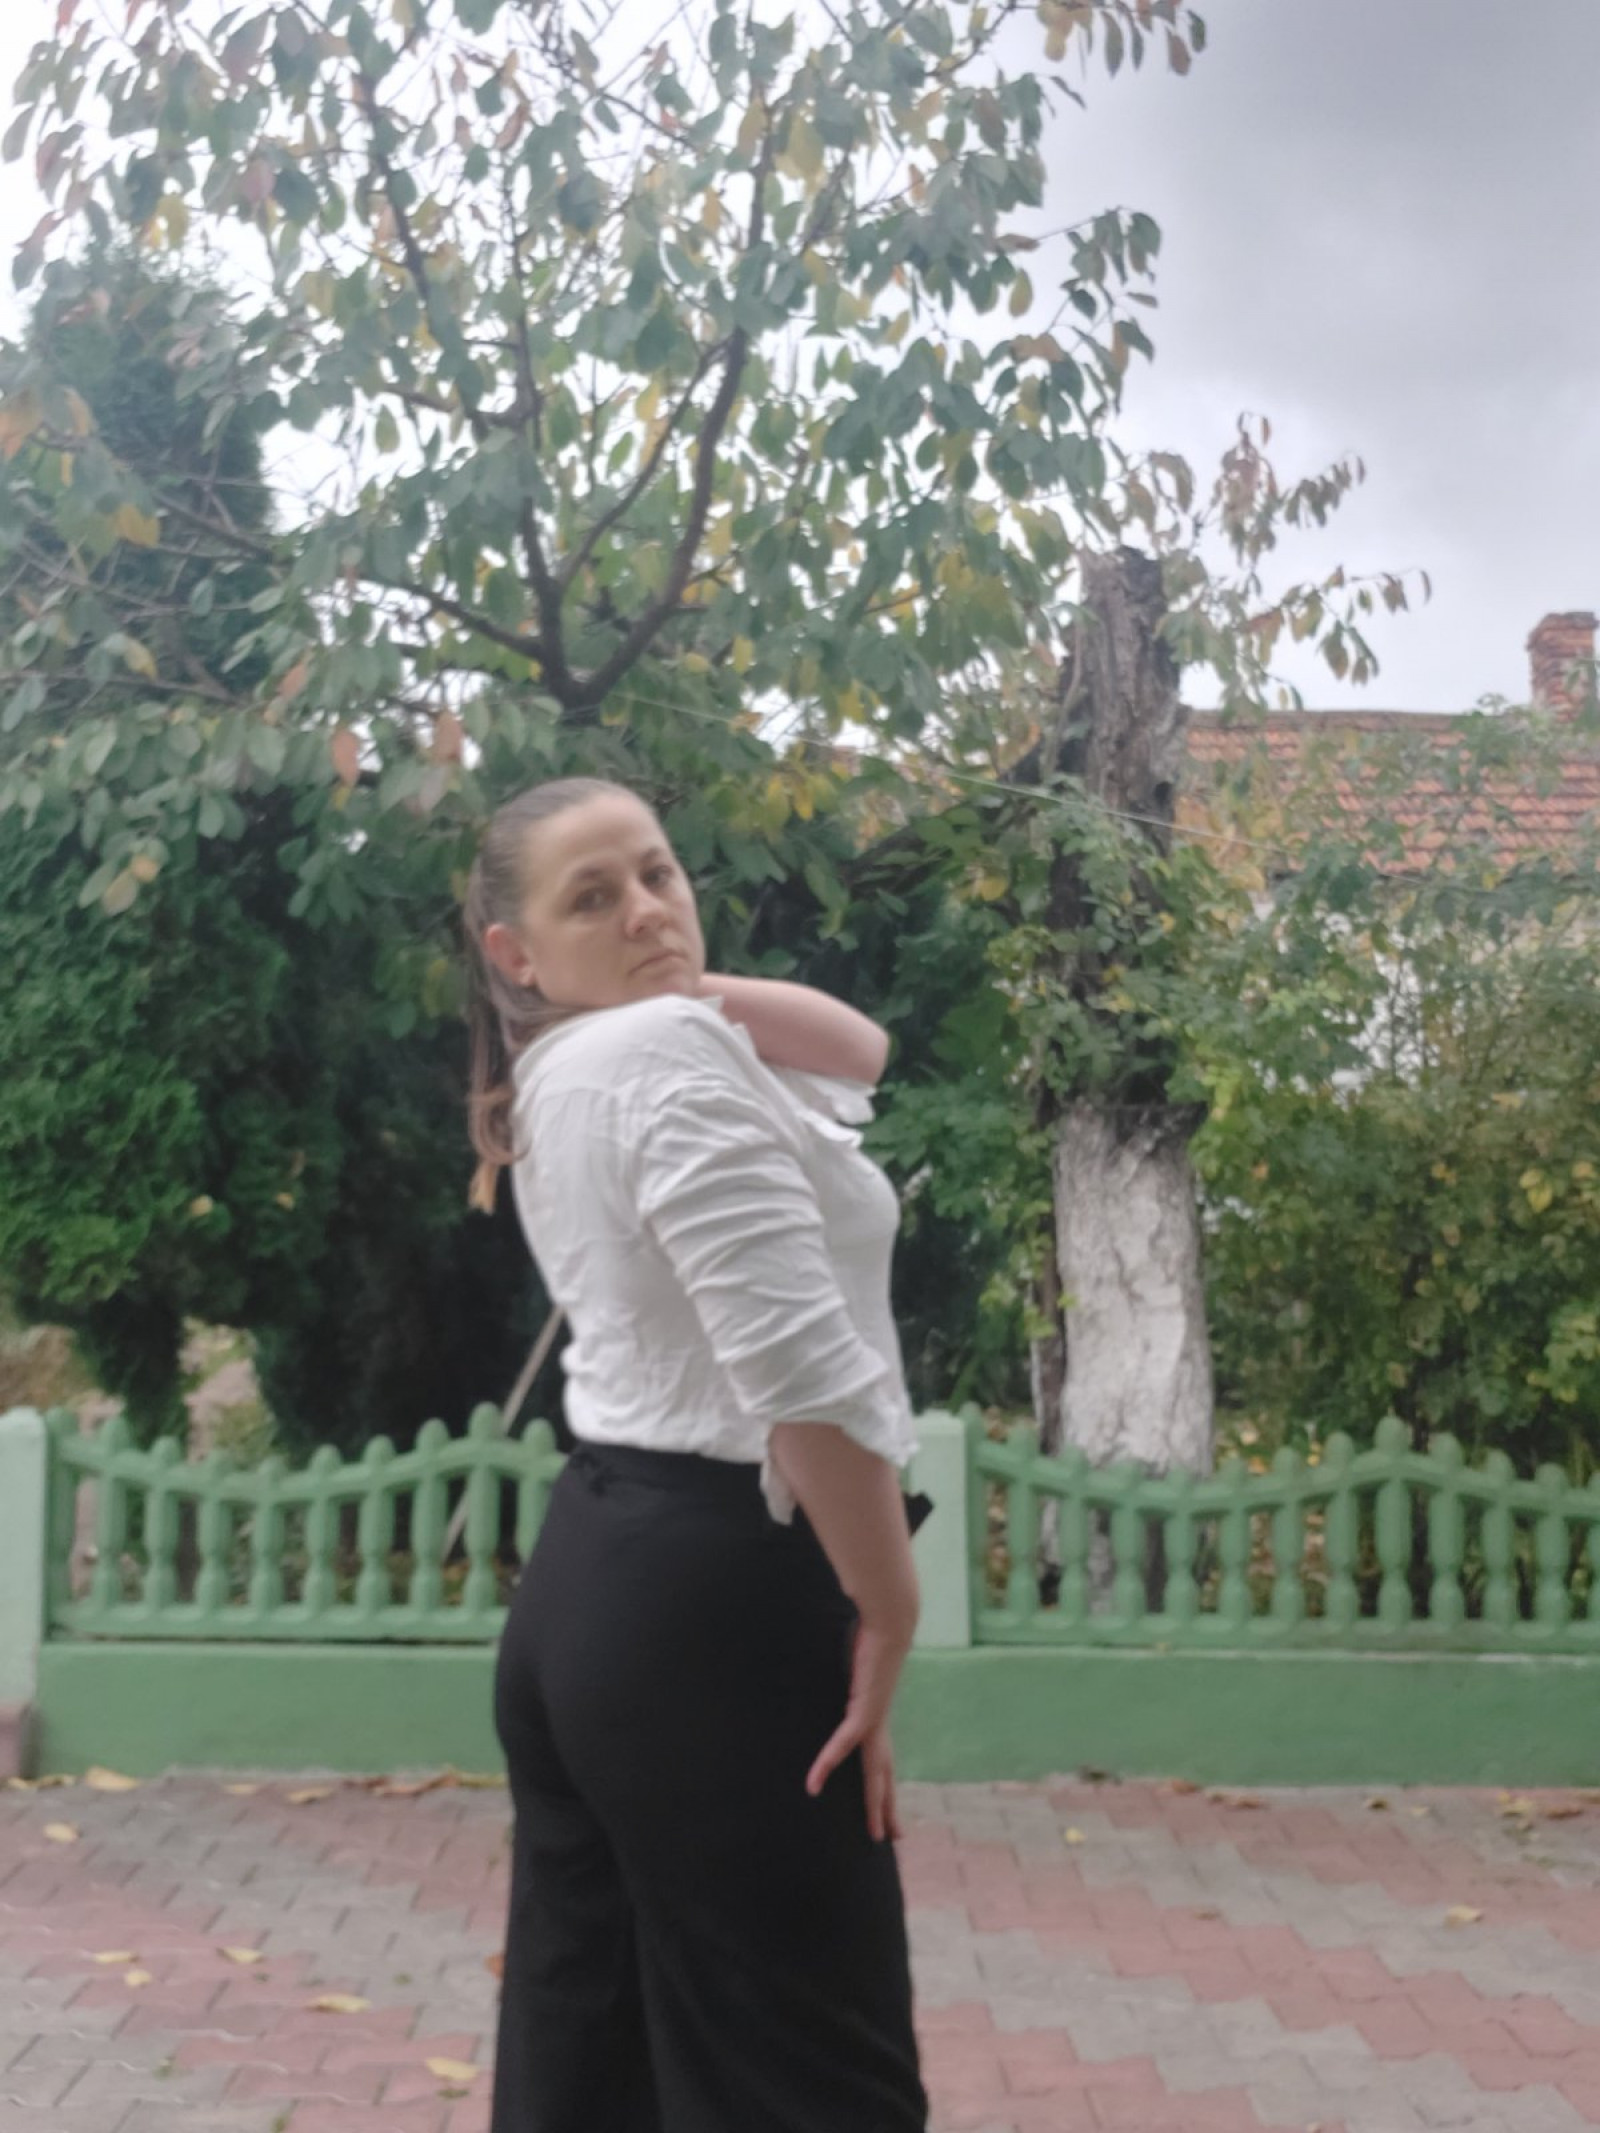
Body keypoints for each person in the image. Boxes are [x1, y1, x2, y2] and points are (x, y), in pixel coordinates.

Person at [465, 775, 930, 2133]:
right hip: (717, 1613)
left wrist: (653, 963)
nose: (648, 909)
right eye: (593, 897)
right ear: (514, 952)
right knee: (810, 2083)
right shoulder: (661, 1055)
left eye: (658, 875)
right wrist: (888, 1606)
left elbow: (861, 1048)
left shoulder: (573, 1063)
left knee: (592, 2070)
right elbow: (801, 1378)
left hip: (596, 1588)